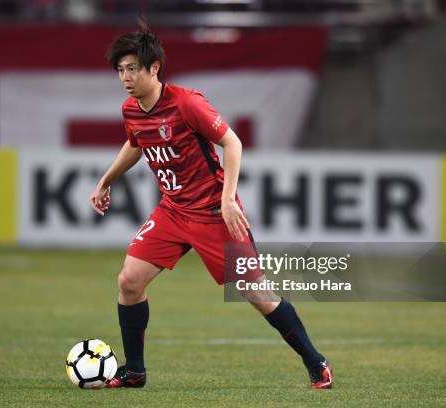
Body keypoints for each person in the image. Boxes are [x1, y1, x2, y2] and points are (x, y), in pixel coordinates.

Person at [89, 21, 333, 389]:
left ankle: (316, 362)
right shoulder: (132, 109)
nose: (125, 77)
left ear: (153, 68)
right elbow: (136, 142)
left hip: (213, 213)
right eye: (120, 70)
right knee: (129, 281)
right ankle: (135, 371)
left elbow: (232, 143)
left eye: (132, 69)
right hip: (172, 211)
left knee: (256, 293)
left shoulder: (187, 102)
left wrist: (228, 198)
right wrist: (107, 179)